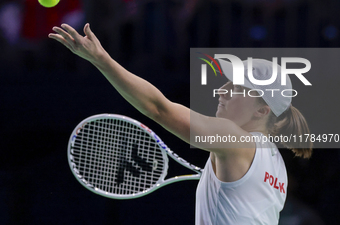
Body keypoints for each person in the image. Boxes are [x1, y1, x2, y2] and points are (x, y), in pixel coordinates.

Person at [48, 23, 312, 225]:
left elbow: (159, 108)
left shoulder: (234, 139)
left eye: (237, 89)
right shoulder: (276, 166)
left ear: (261, 110)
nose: (222, 91)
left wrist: (101, 60)